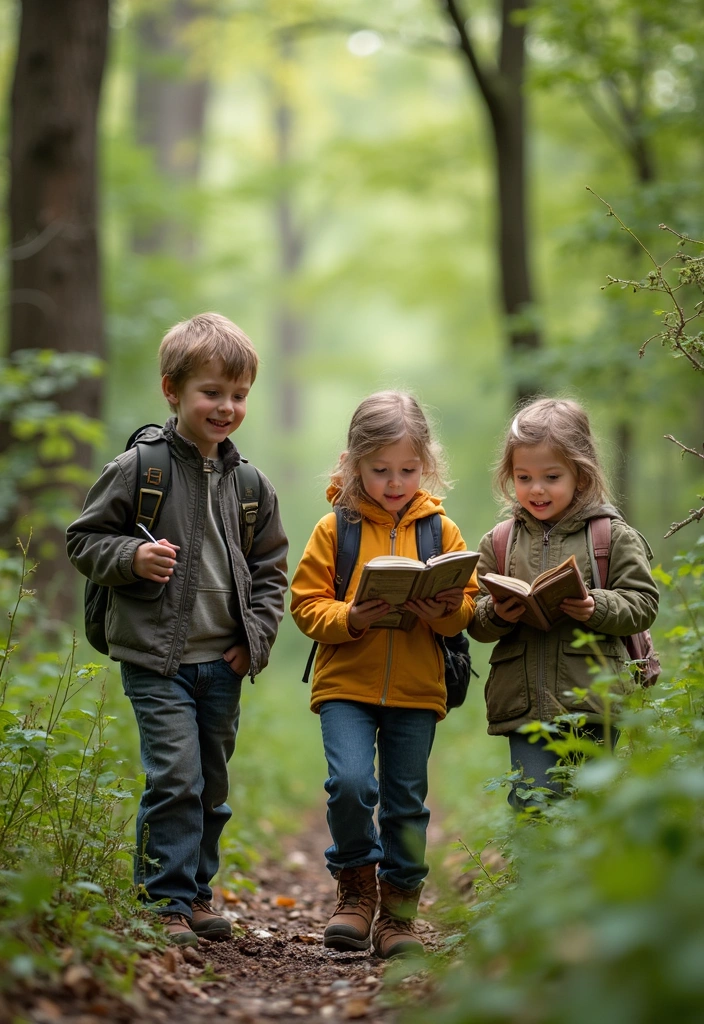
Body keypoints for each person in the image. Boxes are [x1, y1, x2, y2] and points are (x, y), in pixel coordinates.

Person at [67, 313, 288, 947]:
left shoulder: (251, 485)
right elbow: (84, 540)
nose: (226, 407)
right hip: (156, 657)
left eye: (238, 395)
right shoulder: (142, 468)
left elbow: (272, 569)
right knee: (175, 776)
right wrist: (131, 559)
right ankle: (162, 900)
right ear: (172, 390)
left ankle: (195, 893)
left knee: (211, 785)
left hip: (223, 661)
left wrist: (256, 639)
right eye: (211, 393)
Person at [290, 391, 478, 959]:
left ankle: (398, 913)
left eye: (408, 470)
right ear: (353, 464)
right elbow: (305, 605)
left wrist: (443, 611)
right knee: (349, 784)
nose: (395, 482)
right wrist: (351, 616)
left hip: (418, 688)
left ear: (427, 465)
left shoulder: (440, 531)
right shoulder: (334, 529)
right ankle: (355, 890)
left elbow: (467, 603)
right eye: (380, 470)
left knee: (406, 802)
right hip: (346, 681)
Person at [468, 397, 659, 809]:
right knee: (532, 801)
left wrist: (596, 606)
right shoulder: (499, 541)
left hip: (592, 701)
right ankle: (536, 873)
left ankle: (588, 874)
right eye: (523, 477)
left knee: (589, 804)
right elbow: (476, 619)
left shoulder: (611, 536)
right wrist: (496, 614)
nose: (536, 489)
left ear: (581, 474)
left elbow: (643, 602)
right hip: (523, 703)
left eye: (551, 476)